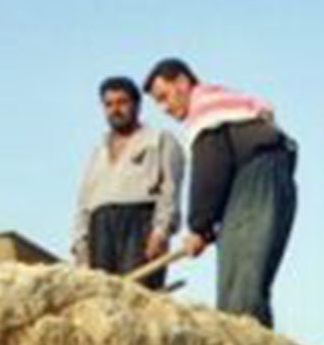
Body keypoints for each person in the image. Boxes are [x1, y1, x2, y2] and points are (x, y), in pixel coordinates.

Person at [144, 58, 297, 328]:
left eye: (164, 97)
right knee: (240, 283)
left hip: (257, 182)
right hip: (260, 183)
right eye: (159, 103)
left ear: (182, 82)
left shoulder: (205, 107)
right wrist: (210, 228)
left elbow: (211, 166)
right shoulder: (225, 108)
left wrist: (199, 227)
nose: (165, 108)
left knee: (242, 288)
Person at [70, 75, 185, 282]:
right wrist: (80, 245)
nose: (115, 109)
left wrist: (161, 231)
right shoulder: (98, 151)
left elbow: (170, 190)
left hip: (139, 222)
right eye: (109, 104)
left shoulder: (159, 140)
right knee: (101, 298)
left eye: (122, 102)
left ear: (137, 105)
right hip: (100, 228)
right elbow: (84, 202)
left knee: (138, 293)